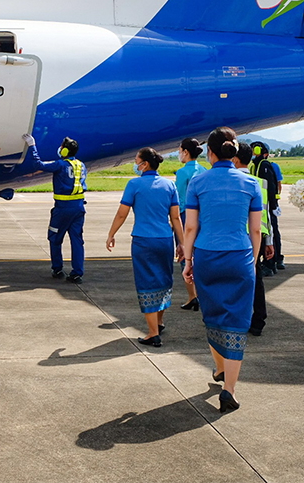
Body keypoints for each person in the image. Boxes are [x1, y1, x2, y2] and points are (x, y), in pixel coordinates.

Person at [183, 127, 261, 412]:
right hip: (239, 255)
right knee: (237, 321)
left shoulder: (197, 182)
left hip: (207, 255)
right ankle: (229, 389)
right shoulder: (251, 183)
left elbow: (191, 226)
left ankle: (219, 368)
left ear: (211, 153)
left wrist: (188, 261)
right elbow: (255, 229)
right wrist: (250, 261)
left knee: (212, 314)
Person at [106, 148, 185, 347]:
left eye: (137, 161)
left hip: (143, 240)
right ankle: (159, 322)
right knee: (164, 280)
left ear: (145, 164)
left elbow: (122, 214)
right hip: (165, 239)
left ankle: (152, 333)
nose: (135, 164)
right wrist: (182, 243)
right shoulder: (169, 185)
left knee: (146, 283)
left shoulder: (134, 184)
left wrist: (111, 234)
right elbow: (175, 217)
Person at [22, 133, 87, 283]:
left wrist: (32, 146)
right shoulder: (81, 165)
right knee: (77, 240)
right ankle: (77, 273)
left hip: (62, 209)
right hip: (78, 209)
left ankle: (57, 269)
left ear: (64, 151)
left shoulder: (60, 165)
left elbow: (38, 164)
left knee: (55, 238)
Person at [233, 143, 273, 336]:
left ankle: (236, 317)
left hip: (237, 236)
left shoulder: (231, 181)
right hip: (258, 237)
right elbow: (266, 214)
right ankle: (258, 320)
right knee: (256, 278)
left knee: (234, 279)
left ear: (234, 158)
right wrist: (270, 241)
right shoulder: (259, 183)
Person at [175, 137, 205, 311]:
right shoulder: (204, 170)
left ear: (185, 152)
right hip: (203, 216)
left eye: (180, 150)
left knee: (185, 255)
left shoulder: (182, 173)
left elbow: (179, 200)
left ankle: (192, 296)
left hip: (186, 216)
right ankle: (202, 294)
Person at [250, 142, 283, 274]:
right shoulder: (255, 166)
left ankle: (272, 262)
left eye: (254, 149)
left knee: (271, 231)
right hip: (262, 205)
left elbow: (271, 187)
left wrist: (273, 205)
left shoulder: (264, 166)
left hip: (267, 205)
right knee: (266, 232)